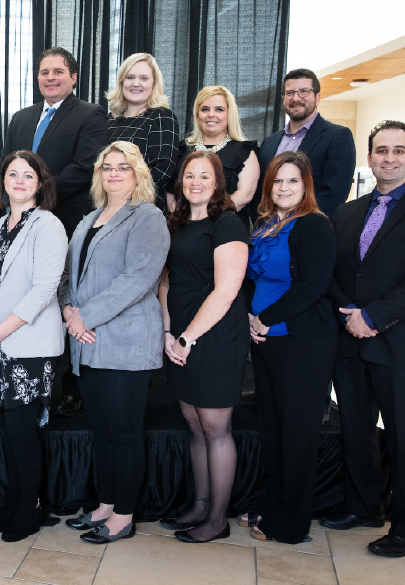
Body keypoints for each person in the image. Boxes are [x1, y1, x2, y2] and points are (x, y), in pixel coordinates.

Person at [320, 121, 405, 558]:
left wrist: (373, 317)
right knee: (356, 432)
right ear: (370, 156)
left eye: (399, 150)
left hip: (402, 344)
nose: (389, 158)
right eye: (381, 150)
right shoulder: (346, 213)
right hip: (350, 339)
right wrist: (351, 316)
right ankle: (364, 508)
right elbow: (333, 273)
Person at [60, 141, 170, 544]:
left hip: (125, 342)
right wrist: (70, 312)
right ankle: (105, 505)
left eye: (123, 167)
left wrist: (84, 317)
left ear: (138, 173)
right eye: (107, 167)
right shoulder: (88, 218)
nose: (114, 174)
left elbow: (139, 279)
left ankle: (123, 516)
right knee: (102, 432)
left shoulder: (148, 217)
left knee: (124, 434)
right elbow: (67, 277)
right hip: (86, 341)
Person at [1, 46, 109, 418]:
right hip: (20, 224)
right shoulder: (20, 118)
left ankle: (70, 387)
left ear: (73, 77)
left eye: (59, 72)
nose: (50, 77)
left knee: (64, 298)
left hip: (67, 221)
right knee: (24, 295)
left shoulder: (90, 114)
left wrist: (38, 193)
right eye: (44, 71)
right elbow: (10, 168)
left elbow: (85, 167)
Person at [239, 151, 336, 544]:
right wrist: (250, 315)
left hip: (303, 344)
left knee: (297, 435)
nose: (284, 187)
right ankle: (272, 502)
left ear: (305, 185)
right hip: (266, 342)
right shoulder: (264, 224)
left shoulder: (314, 225)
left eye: (293, 181)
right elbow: (251, 279)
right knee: (274, 430)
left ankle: (291, 523)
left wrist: (265, 318)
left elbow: (312, 286)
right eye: (278, 181)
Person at [0, 150, 67, 542]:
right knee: (10, 429)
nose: (20, 181)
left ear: (40, 183)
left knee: (23, 431)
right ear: (3, 182)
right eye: (13, 174)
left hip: (28, 344)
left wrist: (2, 329)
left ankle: (28, 511)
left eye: (29, 175)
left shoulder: (48, 225)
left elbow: (45, 289)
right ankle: (14, 501)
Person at [158, 151, 250, 543]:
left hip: (213, 336)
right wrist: (167, 333)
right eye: (189, 175)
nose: (195, 181)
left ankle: (217, 518)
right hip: (178, 336)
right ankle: (199, 503)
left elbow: (227, 290)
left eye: (204, 176)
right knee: (194, 424)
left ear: (217, 183)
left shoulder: (228, 224)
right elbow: (164, 283)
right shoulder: (175, 223)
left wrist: (187, 337)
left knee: (215, 426)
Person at [254, 68, 355, 219]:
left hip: (310, 231)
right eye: (289, 93)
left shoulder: (338, 136)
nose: (296, 98)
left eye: (304, 91)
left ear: (317, 97)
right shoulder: (269, 142)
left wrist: (292, 225)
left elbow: (334, 195)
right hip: (268, 231)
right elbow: (261, 191)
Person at [104, 53, 180, 214]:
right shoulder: (110, 120)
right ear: (121, 82)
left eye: (144, 78)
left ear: (154, 84)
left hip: (144, 206)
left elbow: (163, 170)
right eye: (130, 77)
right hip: (107, 204)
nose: (136, 83)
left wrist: (124, 192)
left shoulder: (162, 116)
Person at [175, 86, 259, 228]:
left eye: (219, 109)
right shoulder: (180, 149)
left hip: (225, 228)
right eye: (205, 109)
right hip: (182, 227)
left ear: (229, 114)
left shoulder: (244, 151)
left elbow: (245, 195)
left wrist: (202, 219)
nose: (211, 114)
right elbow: (170, 193)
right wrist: (184, 217)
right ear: (197, 114)